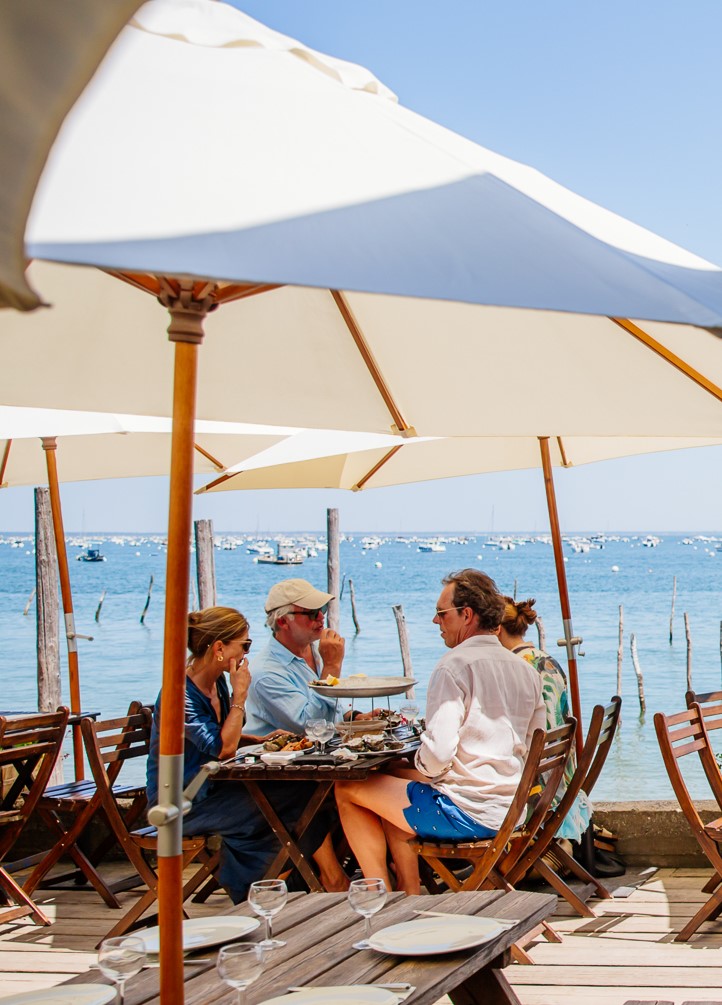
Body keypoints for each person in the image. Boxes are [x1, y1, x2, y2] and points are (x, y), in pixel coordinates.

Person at [334, 569, 546, 894]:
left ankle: (380, 895)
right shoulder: (525, 670)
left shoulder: (453, 666)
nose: (436, 621)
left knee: (347, 788)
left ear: (467, 615)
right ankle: (408, 888)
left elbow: (437, 755)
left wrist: (425, 765)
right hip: (512, 810)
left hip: (468, 814)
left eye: (441, 613)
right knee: (393, 781)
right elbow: (535, 744)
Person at [146, 606, 331, 902]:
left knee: (312, 793)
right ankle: (257, 886)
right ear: (219, 648)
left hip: (216, 786)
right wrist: (240, 696)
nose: (247, 653)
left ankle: (273, 880)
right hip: (183, 800)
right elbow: (222, 749)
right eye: (244, 645)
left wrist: (258, 739)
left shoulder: (216, 682)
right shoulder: (180, 695)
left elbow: (219, 737)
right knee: (278, 809)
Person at [497, 596, 592, 841]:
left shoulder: (515, 668)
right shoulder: (548, 661)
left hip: (537, 787)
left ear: (496, 630)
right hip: (561, 777)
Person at [244, 578, 381, 735]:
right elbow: (314, 726)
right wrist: (331, 667)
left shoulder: (317, 650)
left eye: (322, 609)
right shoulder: (266, 673)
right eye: (312, 613)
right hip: (287, 750)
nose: (321, 617)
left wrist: (354, 717)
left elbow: (328, 707)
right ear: (283, 621)